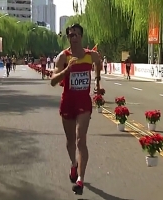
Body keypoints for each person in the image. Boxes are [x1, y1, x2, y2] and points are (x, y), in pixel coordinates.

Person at [50, 24, 102, 195]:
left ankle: (80, 179)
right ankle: (74, 164)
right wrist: (67, 70)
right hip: (68, 103)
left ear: (81, 37)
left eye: (77, 34)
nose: (74, 37)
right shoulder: (62, 57)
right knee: (70, 140)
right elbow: (53, 81)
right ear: (68, 38)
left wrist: (97, 81)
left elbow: (98, 63)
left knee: (81, 140)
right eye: (71, 35)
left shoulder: (90, 55)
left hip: (84, 103)